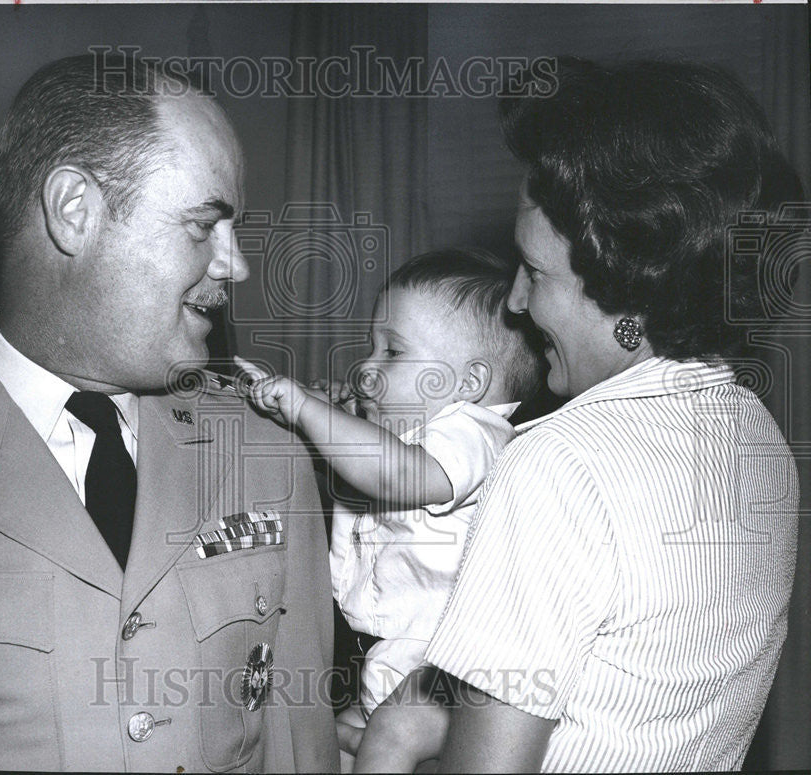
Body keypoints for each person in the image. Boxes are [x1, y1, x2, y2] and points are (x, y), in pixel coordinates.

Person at [0, 54, 339, 771]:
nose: (236, 264)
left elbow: (299, 748)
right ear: (75, 211)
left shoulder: (265, 455)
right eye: (204, 225)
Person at [353, 58, 804, 773]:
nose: (516, 304)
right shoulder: (761, 443)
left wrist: (395, 739)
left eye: (535, 273)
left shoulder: (558, 464)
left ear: (627, 296)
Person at [234, 248, 541, 771]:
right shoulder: (405, 431)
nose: (366, 367)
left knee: (390, 735)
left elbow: (395, 473)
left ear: (467, 386)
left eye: (393, 353)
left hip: (453, 667)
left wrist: (309, 412)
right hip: (392, 655)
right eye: (371, 347)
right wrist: (320, 410)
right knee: (323, 738)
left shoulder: (479, 436)